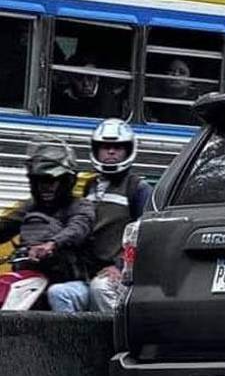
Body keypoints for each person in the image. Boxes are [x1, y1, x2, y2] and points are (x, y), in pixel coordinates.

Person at [0, 140, 96, 311]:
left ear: (66, 180)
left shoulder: (80, 206)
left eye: (52, 180)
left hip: (69, 282)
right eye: (40, 181)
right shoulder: (30, 207)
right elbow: (5, 225)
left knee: (57, 294)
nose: (45, 186)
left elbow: (78, 227)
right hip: (31, 279)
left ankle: (66, 337)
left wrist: (52, 244)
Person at [84, 119, 152, 313]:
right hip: (88, 272)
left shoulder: (137, 188)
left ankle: (116, 340)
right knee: (60, 292)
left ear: (128, 150)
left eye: (117, 147)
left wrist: (120, 266)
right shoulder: (90, 187)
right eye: (105, 147)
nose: (111, 152)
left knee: (100, 288)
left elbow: (145, 235)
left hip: (121, 275)